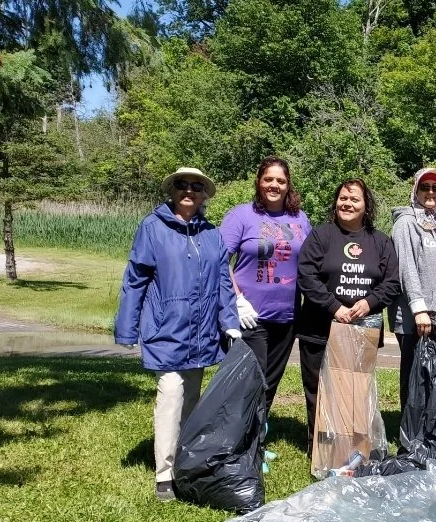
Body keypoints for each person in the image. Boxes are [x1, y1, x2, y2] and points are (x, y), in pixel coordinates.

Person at [114, 167, 240, 502]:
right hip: (166, 328)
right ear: (172, 190)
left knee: (192, 403)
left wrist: (229, 320)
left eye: (197, 187)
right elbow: (136, 278)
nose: (189, 191)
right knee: (170, 393)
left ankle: (186, 463)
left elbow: (223, 282)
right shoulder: (152, 228)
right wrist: (127, 328)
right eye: (182, 185)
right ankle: (164, 475)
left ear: (204, 195)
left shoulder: (212, 234)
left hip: (201, 333)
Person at [296, 178, 401, 453]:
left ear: (366, 206)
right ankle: (321, 449)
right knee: (318, 390)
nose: (347, 203)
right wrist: (334, 306)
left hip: (362, 330)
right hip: (320, 329)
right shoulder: (321, 236)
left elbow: (392, 283)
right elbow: (306, 276)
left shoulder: (380, 241)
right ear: (335, 202)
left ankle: (354, 448)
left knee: (356, 390)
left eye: (354, 199)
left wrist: (369, 302)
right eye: (343, 198)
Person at [221, 156, 311, 423]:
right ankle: (237, 445)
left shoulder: (300, 219)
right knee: (248, 381)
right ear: (259, 182)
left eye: (280, 181)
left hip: (287, 315)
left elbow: (310, 260)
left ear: (288, 185)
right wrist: (236, 299)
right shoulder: (241, 215)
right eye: (268, 179)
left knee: (270, 383)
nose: (274, 185)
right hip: (250, 314)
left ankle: (255, 439)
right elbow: (218, 260)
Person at [389, 167, 436, 411]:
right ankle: (413, 436)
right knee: (415, 376)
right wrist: (419, 308)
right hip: (415, 317)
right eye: (424, 187)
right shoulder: (406, 223)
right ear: (415, 190)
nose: (431, 192)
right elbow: (405, 267)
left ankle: (434, 431)